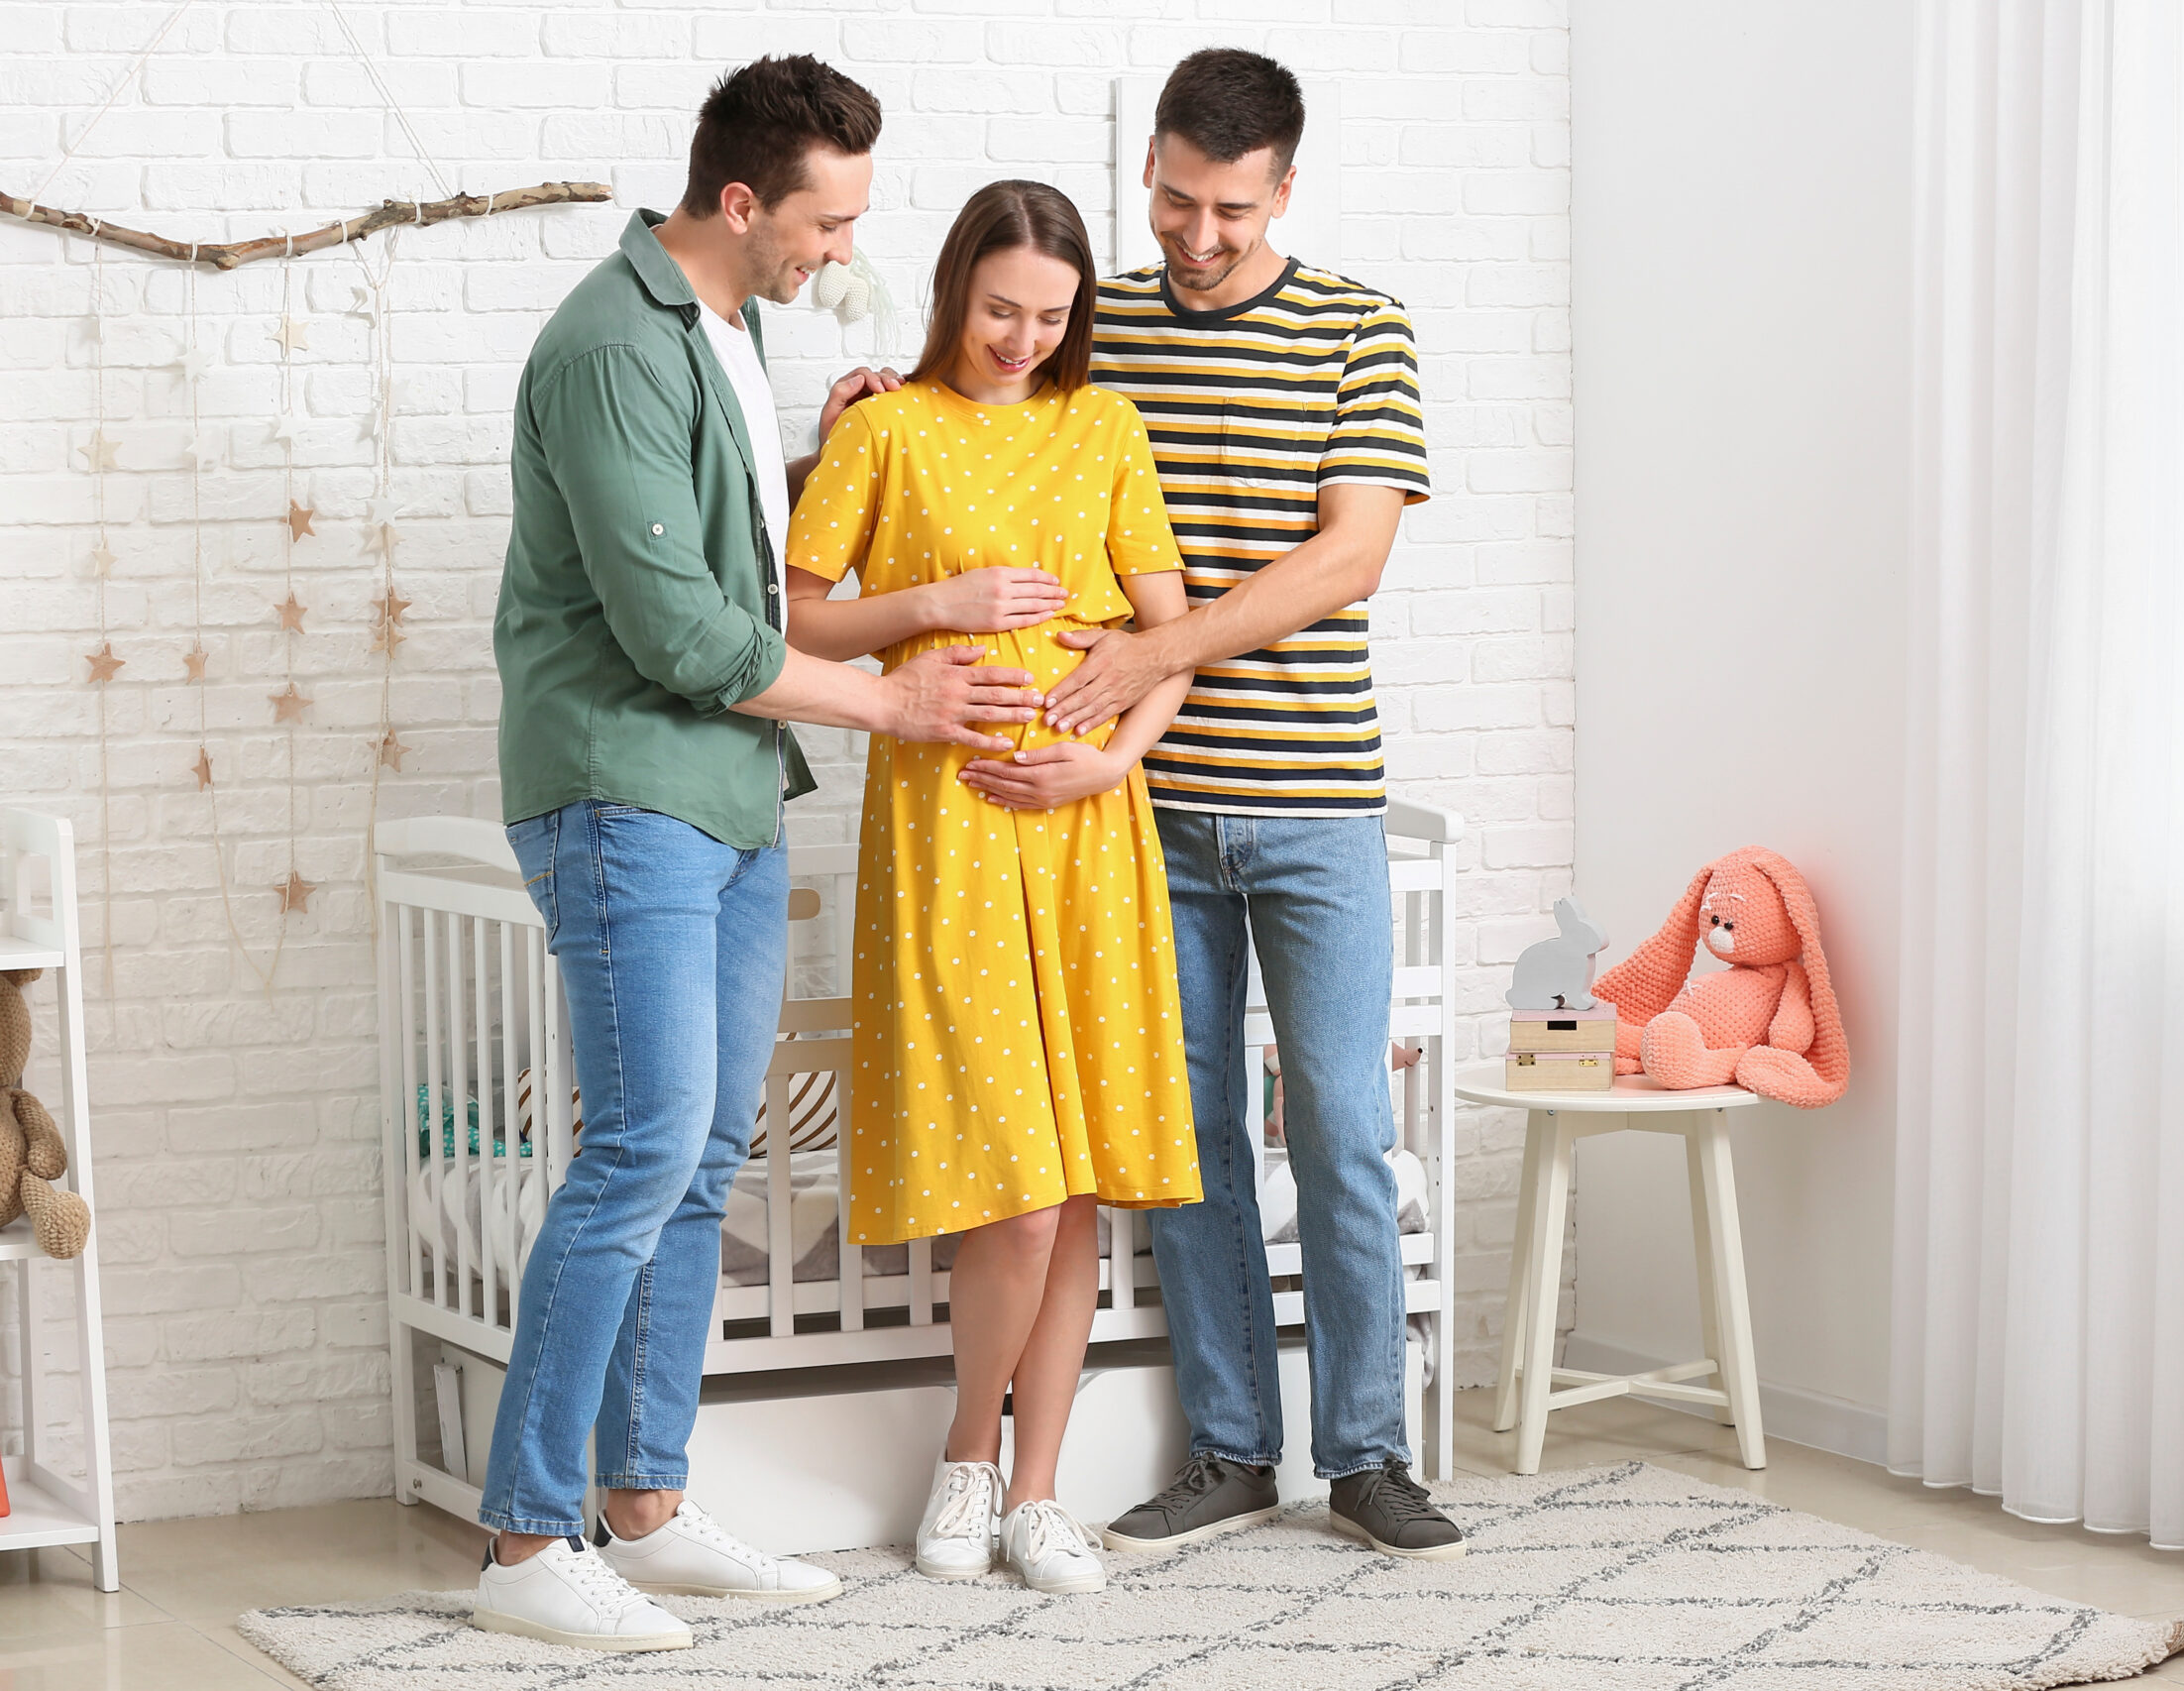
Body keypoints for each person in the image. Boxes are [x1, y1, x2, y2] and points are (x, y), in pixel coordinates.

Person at [474, 56, 1043, 1653]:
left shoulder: (735, 333)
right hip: (624, 784)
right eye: (824, 221)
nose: (840, 254)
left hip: (722, 792)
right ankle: (526, 1536)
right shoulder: (607, 345)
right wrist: (893, 699)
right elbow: (676, 630)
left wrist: (808, 453)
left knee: (709, 1148)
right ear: (741, 202)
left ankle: (643, 1506)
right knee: (644, 1146)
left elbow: (720, 547)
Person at [1059, 50, 1467, 1561]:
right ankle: (1232, 1447)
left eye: (1229, 208)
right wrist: (871, 403)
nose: (1196, 234)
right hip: (1146, 811)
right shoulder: (1098, 327)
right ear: (1151, 169)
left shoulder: (1363, 327)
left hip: (1316, 804)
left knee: (1346, 1129)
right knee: (1191, 1131)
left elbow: (1345, 559)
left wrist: (1153, 648)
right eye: (1173, 199)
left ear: (1283, 187)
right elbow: (995, 439)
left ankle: (1369, 1454)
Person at [784, 179, 1202, 1595]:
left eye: (1051, 313)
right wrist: (931, 610)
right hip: (949, 828)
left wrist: (1117, 763)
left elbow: (1172, 637)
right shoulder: (885, 427)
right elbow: (792, 613)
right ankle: (968, 1457)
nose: (1024, 336)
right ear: (958, 290)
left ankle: (1038, 1494)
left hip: (1088, 831)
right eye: (1000, 307)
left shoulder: (1107, 428)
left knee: (1074, 1183)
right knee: (1015, 1190)